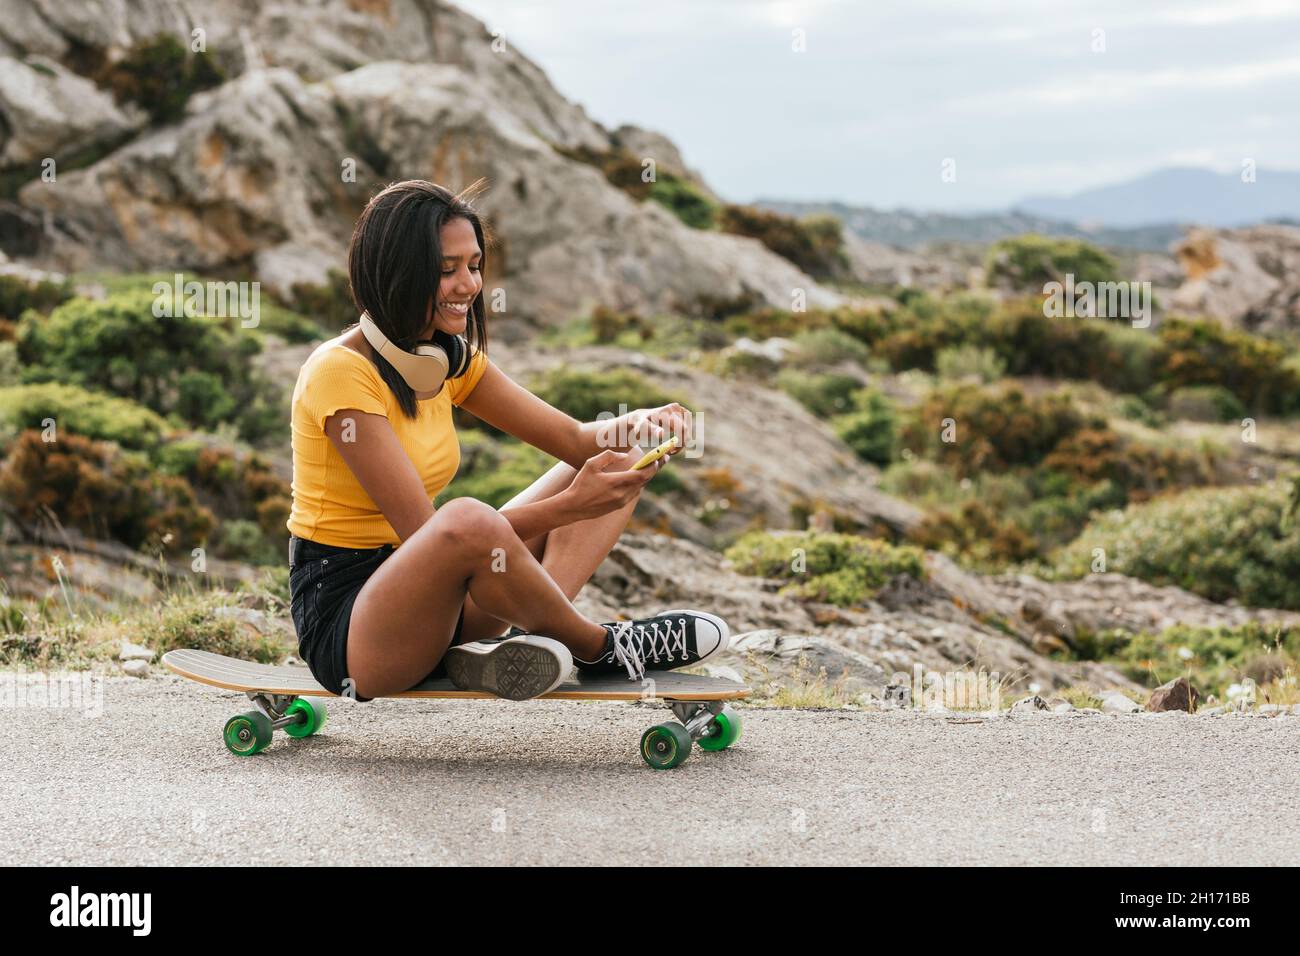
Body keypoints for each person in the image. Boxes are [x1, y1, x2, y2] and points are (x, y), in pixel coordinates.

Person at [286, 179, 729, 702]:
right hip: (354, 629)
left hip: (440, 605)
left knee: (616, 460)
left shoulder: (444, 359)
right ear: (398, 272)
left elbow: (573, 440)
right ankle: (598, 646)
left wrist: (632, 427)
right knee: (465, 519)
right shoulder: (339, 373)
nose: (468, 285)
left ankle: (538, 641)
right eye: (446, 269)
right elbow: (433, 536)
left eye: (474, 266)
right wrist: (568, 507)